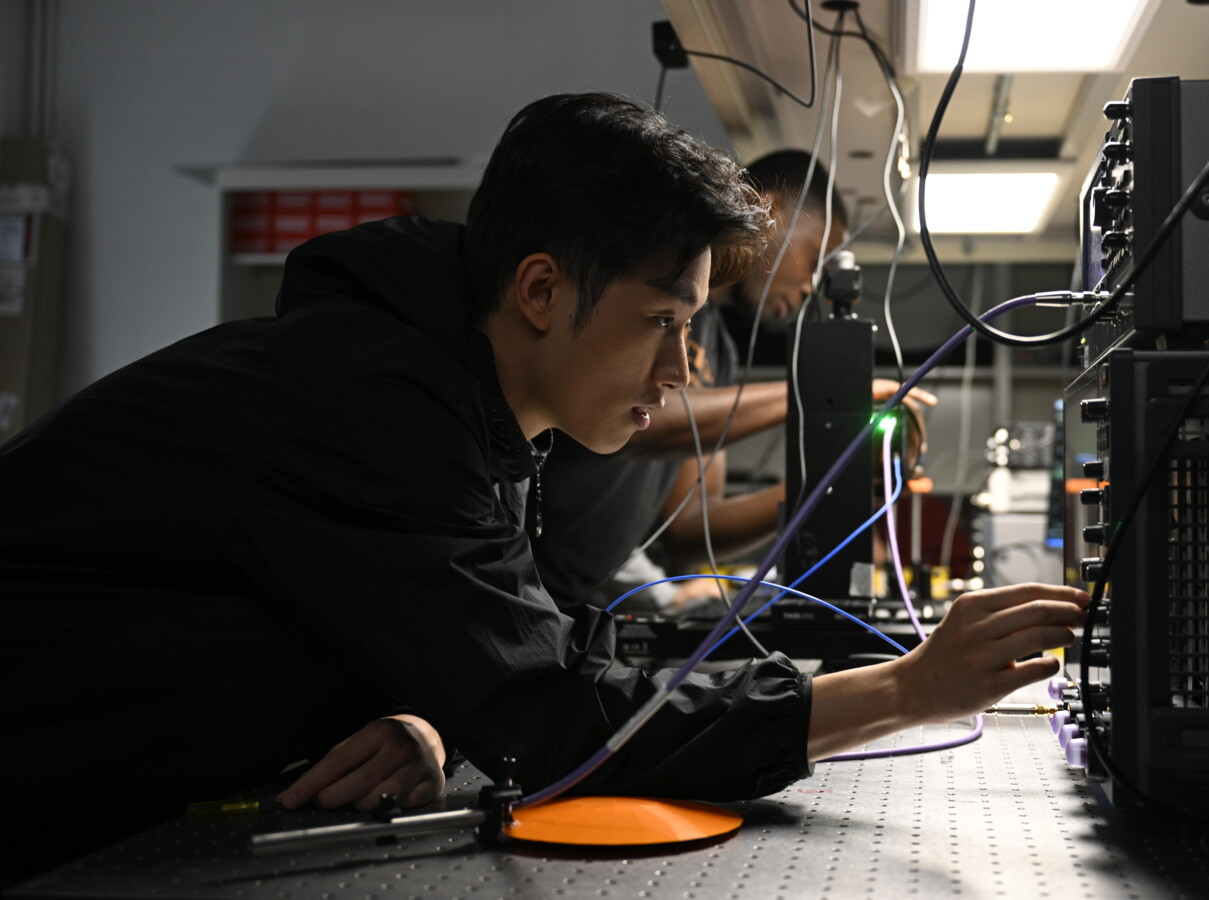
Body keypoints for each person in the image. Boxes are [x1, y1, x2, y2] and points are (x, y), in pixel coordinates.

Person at [0, 93, 1084, 886]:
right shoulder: (374, 405)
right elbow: (558, 716)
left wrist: (430, 705)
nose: (677, 369)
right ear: (538, 290)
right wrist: (903, 691)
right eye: (662, 323)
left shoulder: (457, 410)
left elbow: (468, 640)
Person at [532, 151, 935, 613]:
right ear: (772, 210)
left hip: (580, 608)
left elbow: (692, 531)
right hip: (523, 578)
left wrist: (830, 484)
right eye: (813, 259)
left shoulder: (717, 352)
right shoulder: (647, 285)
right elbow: (636, 421)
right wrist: (820, 399)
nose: (810, 288)